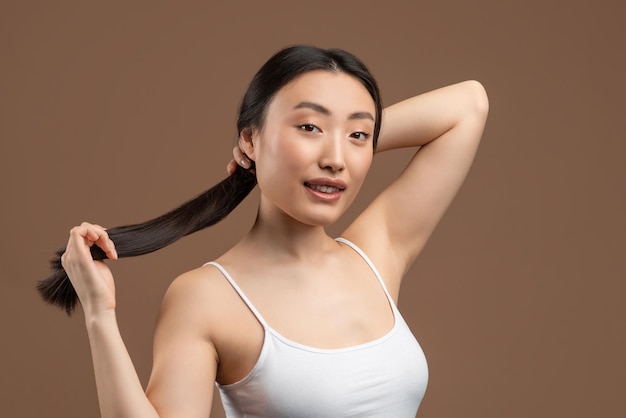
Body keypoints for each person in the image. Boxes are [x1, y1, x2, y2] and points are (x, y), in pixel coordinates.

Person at [43, 45, 488, 417]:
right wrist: (100, 315)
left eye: (359, 134)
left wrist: (343, 138)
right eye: (308, 126)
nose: (336, 159)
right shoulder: (205, 297)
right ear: (250, 140)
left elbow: (469, 103)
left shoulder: (375, 253)